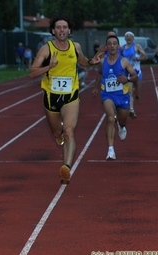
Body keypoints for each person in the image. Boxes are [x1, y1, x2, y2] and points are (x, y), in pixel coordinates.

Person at [29, 14, 103, 184]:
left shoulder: (75, 46)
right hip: (51, 98)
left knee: (69, 131)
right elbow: (32, 73)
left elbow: (82, 60)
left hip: (71, 96)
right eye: (58, 27)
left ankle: (66, 168)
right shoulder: (46, 49)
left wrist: (92, 61)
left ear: (69, 30)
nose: (62, 30)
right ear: (53, 31)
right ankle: (58, 134)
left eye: (64, 27)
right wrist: (49, 67)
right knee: (58, 132)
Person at [91, 35, 138, 160]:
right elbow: (100, 73)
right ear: (106, 47)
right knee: (111, 118)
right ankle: (111, 150)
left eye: (114, 44)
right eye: (109, 44)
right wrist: (96, 87)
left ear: (118, 46)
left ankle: (122, 126)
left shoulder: (124, 61)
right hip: (107, 94)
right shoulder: (102, 61)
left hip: (122, 96)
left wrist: (126, 79)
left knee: (122, 120)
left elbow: (135, 76)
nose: (112, 46)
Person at [121, 31, 148, 119]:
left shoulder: (137, 46)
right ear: (125, 38)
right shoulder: (122, 48)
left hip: (137, 73)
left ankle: (137, 95)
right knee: (130, 92)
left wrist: (137, 58)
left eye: (130, 36)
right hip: (128, 74)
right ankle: (131, 110)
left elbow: (145, 56)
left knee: (137, 94)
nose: (128, 38)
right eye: (127, 36)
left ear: (133, 38)